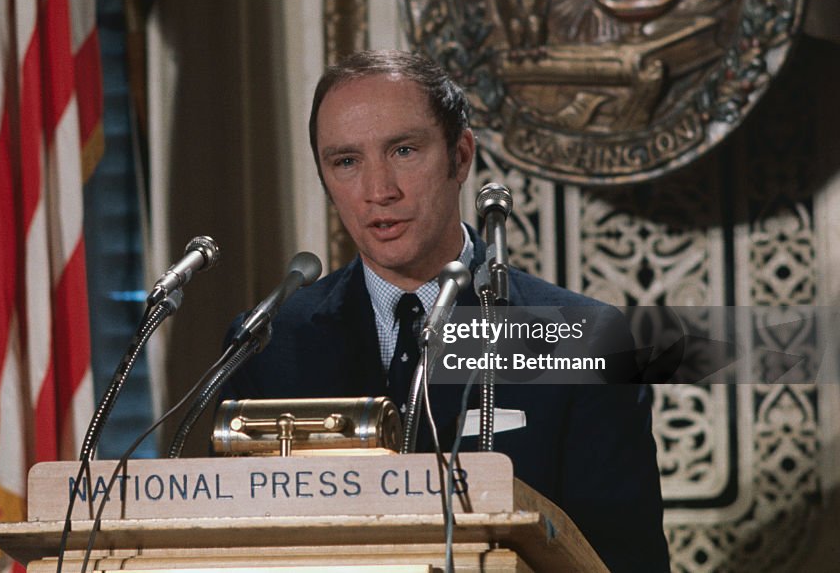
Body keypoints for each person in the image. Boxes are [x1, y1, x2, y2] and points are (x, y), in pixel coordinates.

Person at [222, 50, 670, 572]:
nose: (378, 191)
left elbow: (624, 561)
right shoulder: (268, 344)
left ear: (460, 156)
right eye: (346, 161)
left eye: (404, 151)